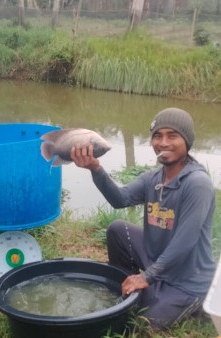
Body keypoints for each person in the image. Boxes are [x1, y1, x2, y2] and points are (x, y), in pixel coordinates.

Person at [70, 107, 216, 329]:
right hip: (158, 261)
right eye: (157, 136)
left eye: (172, 136)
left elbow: (184, 243)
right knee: (118, 229)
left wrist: (147, 276)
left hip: (187, 281)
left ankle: (173, 297)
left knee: (141, 323)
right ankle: (128, 282)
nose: (163, 142)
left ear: (187, 141)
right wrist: (95, 169)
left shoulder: (197, 184)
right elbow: (120, 199)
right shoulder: (153, 177)